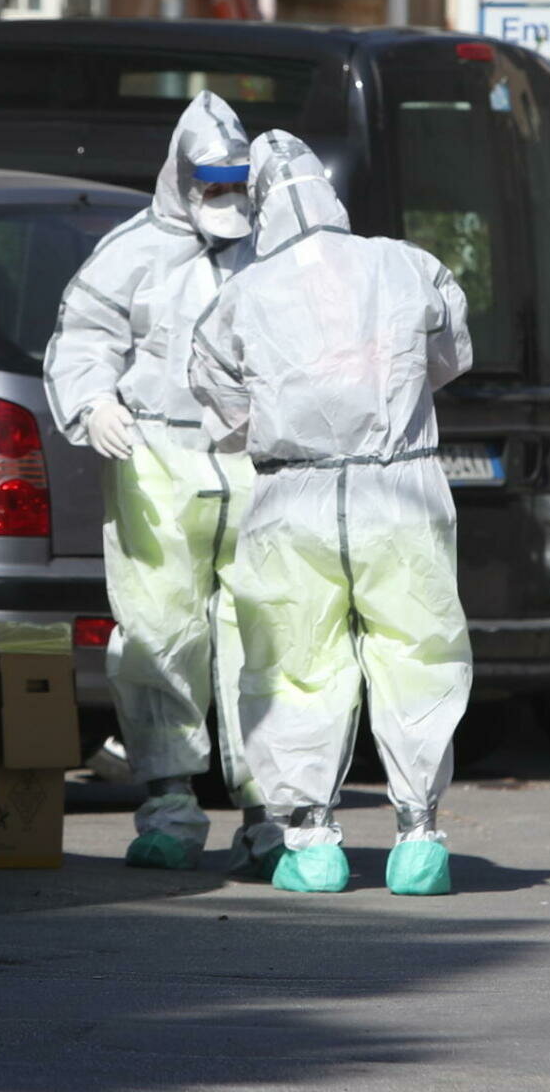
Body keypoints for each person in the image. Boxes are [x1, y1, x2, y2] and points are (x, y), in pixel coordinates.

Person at [189, 129, 475, 896]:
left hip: (294, 497)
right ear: (329, 188)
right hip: (401, 487)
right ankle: (420, 838)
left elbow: (220, 400)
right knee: (418, 654)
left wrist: (292, 416)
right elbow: (450, 352)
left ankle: (311, 840)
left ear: (258, 207)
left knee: (294, 663)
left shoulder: (242, 293)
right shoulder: (405, 263)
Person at [43, 92, 271, 873]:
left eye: (234, 183)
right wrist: (93, 403)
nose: (225, 200)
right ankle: (170, 799)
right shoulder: (131, 251)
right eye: (211, 184)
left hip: (254, 459)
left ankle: (274, 805)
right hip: (157, 462)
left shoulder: (269, 246)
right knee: (157, 633)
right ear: (181, 176)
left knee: (267, 634)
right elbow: (83, 339)